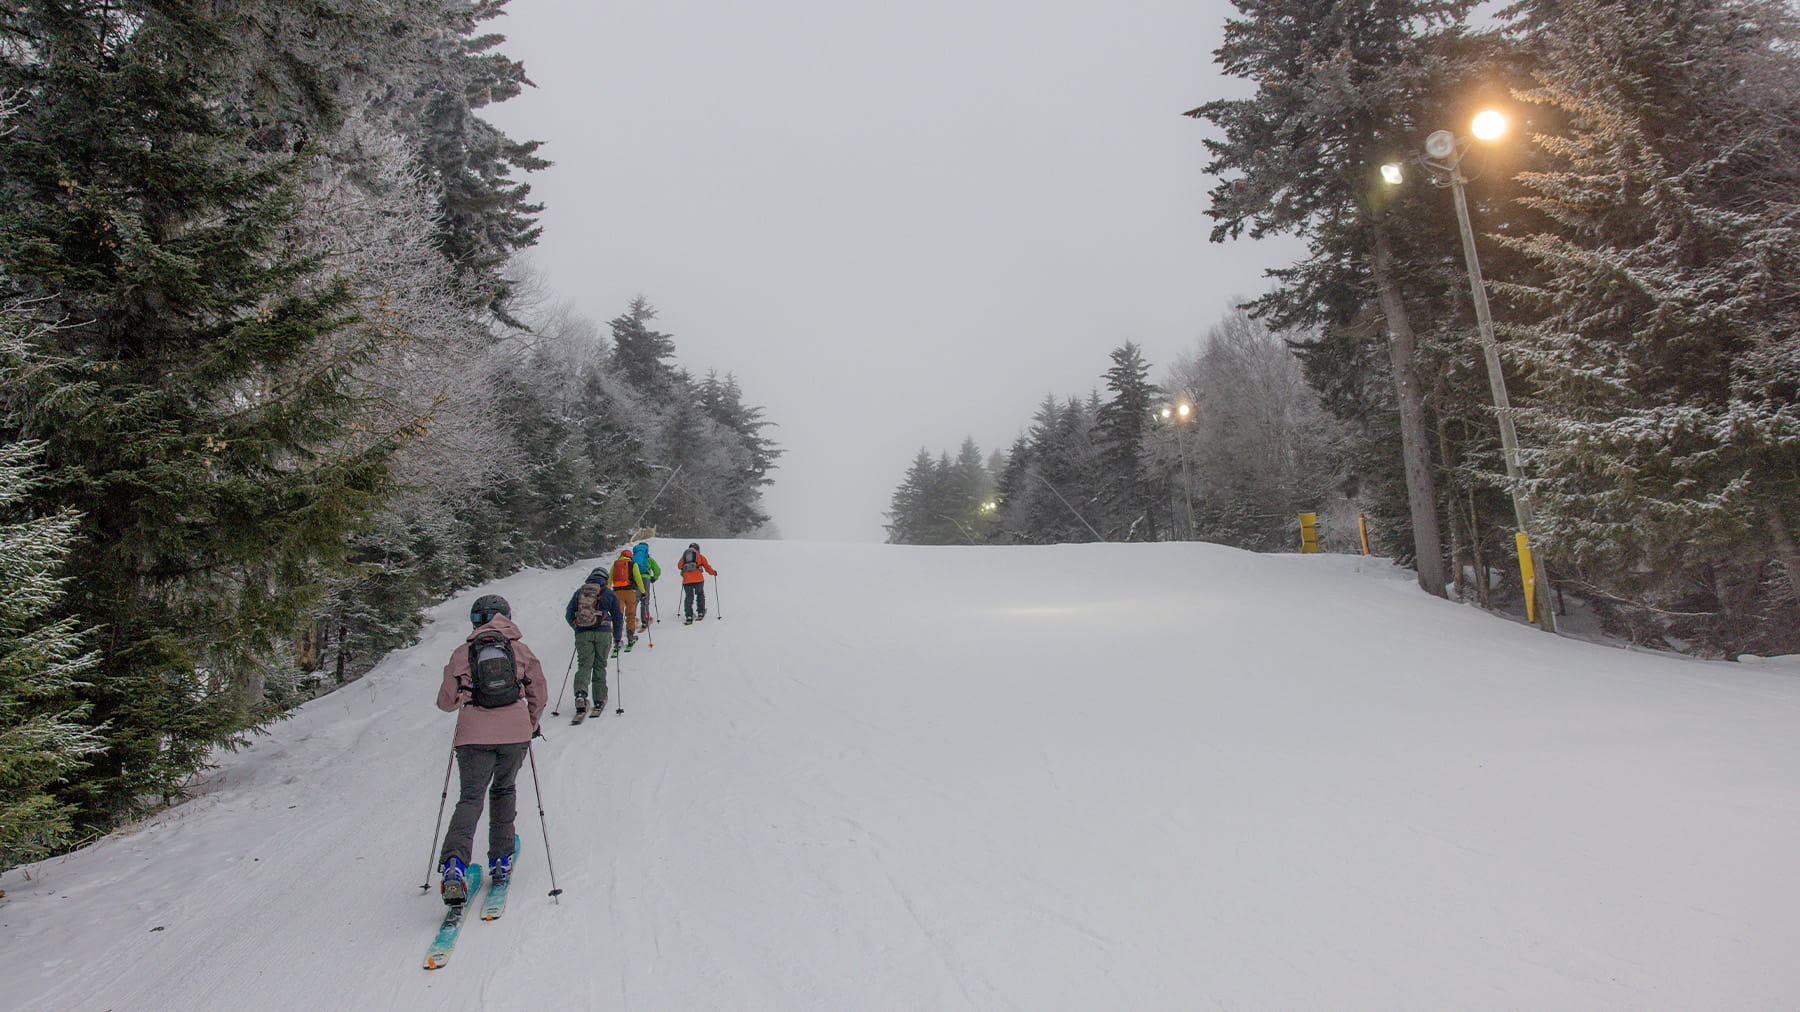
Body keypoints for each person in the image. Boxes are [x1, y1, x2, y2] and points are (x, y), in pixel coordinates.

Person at [436, 593, 546, 904]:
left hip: (473, 736)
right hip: (514, 732)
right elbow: (538, 690)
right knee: (504, 790)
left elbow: (446, 702)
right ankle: (500, 859)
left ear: (475, 621)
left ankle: (454, 866)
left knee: (470, 798)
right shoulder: (520, 650)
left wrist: (465, 696)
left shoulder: (463, 653)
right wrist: (531, 723)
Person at [564, 566, 623, 716]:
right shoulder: (609, 593)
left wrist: (577, 627)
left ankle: (580, 695)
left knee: (584, 665)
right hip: (603, 633)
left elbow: (569, 614)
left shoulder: (580, 593)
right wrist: (617, 637)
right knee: (599, 665)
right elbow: (617, 616)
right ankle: (599, 699)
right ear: (605, 579)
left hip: (583, 634)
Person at [608, 548, 645, 652]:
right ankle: (630, 637)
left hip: (617, 593)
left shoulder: (615, 564)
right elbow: (638, 578)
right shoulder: (633, 564)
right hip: (630, 592)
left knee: (617, 615)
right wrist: (643, 591)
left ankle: (617, 640)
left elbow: (610, 578)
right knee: (630, 614)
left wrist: (606, 592)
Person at [678, 542, 718, 624]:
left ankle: (689, 615)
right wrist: (713, 573)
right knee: (700, 594)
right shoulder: (700, 556)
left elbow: (679, 566)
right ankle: (701, 612)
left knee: (689, 597)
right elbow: (707, 567)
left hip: (687, 580)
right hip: (698, 579)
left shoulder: (684, 557)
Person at [631, 541, 661, 629]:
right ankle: (645, 620)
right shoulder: (648, 558)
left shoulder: (633, 557)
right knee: (645, 599)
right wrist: (654, 577)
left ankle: (631, 619)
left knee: (635, 599)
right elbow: (657, 570)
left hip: (635, 578)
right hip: (645, 578)